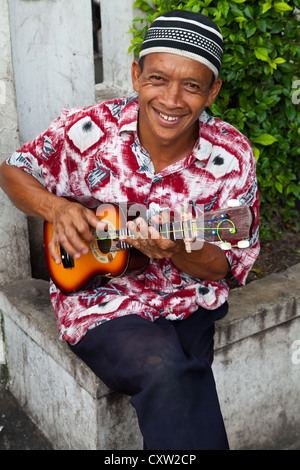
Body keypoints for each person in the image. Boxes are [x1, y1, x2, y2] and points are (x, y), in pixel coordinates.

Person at [0, 10, 259, 450]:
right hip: (98, 297)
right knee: (165, 369)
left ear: (212, 91)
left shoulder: (231, 158)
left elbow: (225, 267)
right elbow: (13, 170)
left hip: (187, 300)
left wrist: (176, 248)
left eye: (192, 86)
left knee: (178, 376)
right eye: (158, 79)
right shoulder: (89, 130)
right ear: (136, 74)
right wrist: (57, 209)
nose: (172, 99)